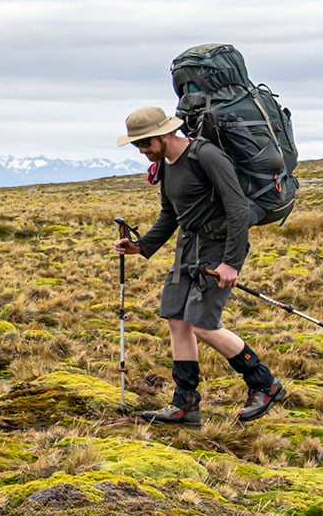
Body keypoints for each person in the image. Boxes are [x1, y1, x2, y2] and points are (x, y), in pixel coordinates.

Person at [112, 106, 286, 426]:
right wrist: (142, 246)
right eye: (137, 145)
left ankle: (264, 383)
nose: (142, 151)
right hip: (187, 249)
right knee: (177, 320)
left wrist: (230, 263)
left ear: (165, 135)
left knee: (204, 324)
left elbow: (236, 210)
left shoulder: (206, 156)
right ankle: (186, 405)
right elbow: (170, 214)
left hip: (219, 247)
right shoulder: (165, 165)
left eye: (145, 144)